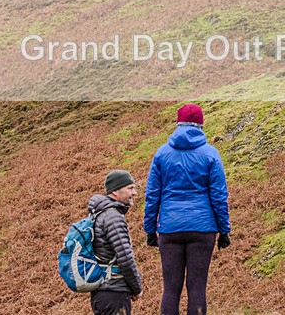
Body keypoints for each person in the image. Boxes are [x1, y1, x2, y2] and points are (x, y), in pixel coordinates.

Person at [144, 104, 231, 315]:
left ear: (177, 123)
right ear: (201, 125)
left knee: (171, 288)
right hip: (202, 228)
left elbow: (152, 194)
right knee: (197, 286)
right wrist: (224, 230)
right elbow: (219, 196)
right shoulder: (210, 153)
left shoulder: (162, 154)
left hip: (170, 227)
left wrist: (149, 229)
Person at [88, 170, 144, 315]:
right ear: (115, 191)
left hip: (102, 293)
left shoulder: (100, 214)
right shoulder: (113, 217)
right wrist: (137, 288)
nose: (135, 193)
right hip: (114, 293)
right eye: (130, 188)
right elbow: (125, 258)